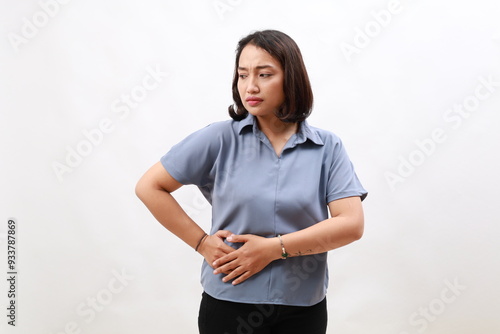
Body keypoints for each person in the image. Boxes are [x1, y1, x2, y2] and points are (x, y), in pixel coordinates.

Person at [135, 29, 367, 334]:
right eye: (243, 75)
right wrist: (202, 243)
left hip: (302, 308)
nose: (251, 86)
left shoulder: (327, 147)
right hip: (229, 304)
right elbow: (149, 187)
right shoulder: (219, 138)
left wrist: (273, 249)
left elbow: (351, 224)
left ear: (291, 78)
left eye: (264, 74)